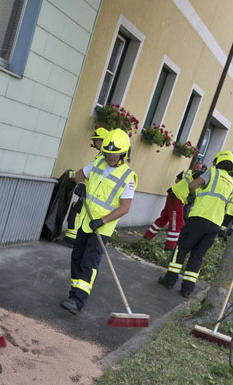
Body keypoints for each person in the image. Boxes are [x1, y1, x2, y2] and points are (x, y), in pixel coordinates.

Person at [60, 129, 137, 314]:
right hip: (85, 221)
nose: (110, 157)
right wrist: (81, 184)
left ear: (123, 153)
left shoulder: (128, 177)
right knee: (77, 258)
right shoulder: (98, 163)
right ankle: (74, 293)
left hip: (101, 228)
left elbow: (125, 207)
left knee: (89, 262)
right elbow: (80, 174)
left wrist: (103, 220)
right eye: (108, 153)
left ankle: (78, 300)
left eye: (114, 154)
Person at [158, 150, 233, 297]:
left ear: (217, 161)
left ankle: (170, 280)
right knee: (198, 255)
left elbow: (192, 185)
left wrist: (193, 196)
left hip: (200, 217)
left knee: (182, 247)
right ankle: (187, 289)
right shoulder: (232, 182)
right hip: (216, 223)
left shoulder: (212, 172)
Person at [60, 127, 108, 247]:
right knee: (77, 212)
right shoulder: (102, 156)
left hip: (90, 193)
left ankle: (71, 239)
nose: (96, 143)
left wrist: (75, 176)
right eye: (95, 140)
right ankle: (72, 238)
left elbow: (92, 175)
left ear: (103, 141)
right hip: (88, 190)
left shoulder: (103, 158)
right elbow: (88, 172)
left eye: (97, 140)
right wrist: (76, 176)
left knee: (76, 213)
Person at [142, 159, 205, 250]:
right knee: (177, 223)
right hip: (177, 197)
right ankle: (169, 247)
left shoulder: (195, 175)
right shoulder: (200, 177)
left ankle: (147, 237)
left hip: (173, 194)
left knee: (164, 218)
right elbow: (192, 185)